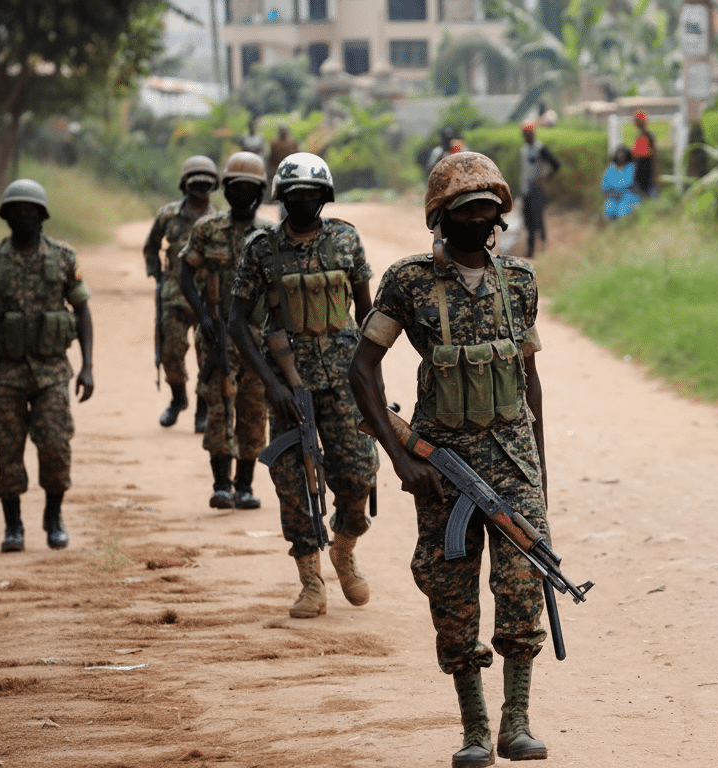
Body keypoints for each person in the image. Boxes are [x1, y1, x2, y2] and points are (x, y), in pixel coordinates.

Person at [348, 151, 552, 766]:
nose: (479, 218)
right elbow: (361, 370)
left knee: (522, 588)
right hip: (443, 465)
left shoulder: (518, 280)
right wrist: (400, 456)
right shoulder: (409, 281)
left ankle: (516, 723)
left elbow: (530, 376)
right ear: (442, 216)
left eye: (488, 208)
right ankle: (473, 728)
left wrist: (539, 468)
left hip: (513, 462)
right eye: (466, 209)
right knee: (452, 593)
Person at [228, 152, 379, 619]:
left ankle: (344, 549)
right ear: (281, 198)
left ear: (325, 197)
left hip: (344, 382)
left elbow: (367, 314)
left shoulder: (346, 240)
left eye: (312, 195)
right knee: (293, 483)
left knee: (358, 478)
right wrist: (271, 384)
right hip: (290, 388)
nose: (303, 202)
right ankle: (311, 580)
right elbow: (237, 322)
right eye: (294, 195)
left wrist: (370, 380)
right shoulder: (261, 249)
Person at [0, 179, 95, 552]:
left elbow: (82, 311)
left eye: (30, 211)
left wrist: (87, 367)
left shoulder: (64, 257)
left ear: (42, 215)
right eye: (16, 211)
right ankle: (13, 525)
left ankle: (53, 517)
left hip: (52, 371)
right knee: (6, 450)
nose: (24, 217)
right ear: (6, 216)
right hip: (3, 372)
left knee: (55, 445)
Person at [179, 152, 272, 509]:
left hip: (257, 337)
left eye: (250, 188)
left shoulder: (269, 234)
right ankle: (221, 483)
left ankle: (245, 485)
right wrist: (202, 316)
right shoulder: (206, 229)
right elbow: (186, 273)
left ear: (260, 191)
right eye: (236, 188)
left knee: (253, 410)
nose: (242, 195)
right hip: (216, 334)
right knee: (218, 406)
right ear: (226, 189)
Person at [144, 156, 218, 432]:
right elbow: (151, 246)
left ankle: (202, 411)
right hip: (174, 295)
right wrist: (157, 275)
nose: (200, 186)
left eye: (205, 181)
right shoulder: (168, 215)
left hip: (209, 298)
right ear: (184, 184)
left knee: (208, 357)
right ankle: (178, 399)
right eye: (194, 180)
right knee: (170, 352)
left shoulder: (218, 219)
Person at [518, 121, 560, 260]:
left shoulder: (540, 148)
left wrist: (545, 179)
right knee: (528, 219)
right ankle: (530, 249)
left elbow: (556, 164)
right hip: (526, 189)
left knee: (538, 217)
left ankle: (543, 245)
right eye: (525, 133)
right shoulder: (524, 149)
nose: (526, 136)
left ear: (533, 133)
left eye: (529, 133)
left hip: (537, 189)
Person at [601, 146, 642, 221]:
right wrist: (610, 192)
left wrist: (618, 189)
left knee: (622, 213)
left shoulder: (631, 167)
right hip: (612, 196)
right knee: (609, 211)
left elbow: (629, 183)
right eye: (618, 155)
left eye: (622, 155)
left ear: (626, 156)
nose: (620, 157)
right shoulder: (611, 168)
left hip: (628, 195)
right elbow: (604, 185)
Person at [632, 110, 657, 198]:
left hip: (647, 168)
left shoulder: (648, 136)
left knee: (649, 191)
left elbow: (652, 154)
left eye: (638, 120)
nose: (637, 123)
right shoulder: (639, 136)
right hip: (639, 168)